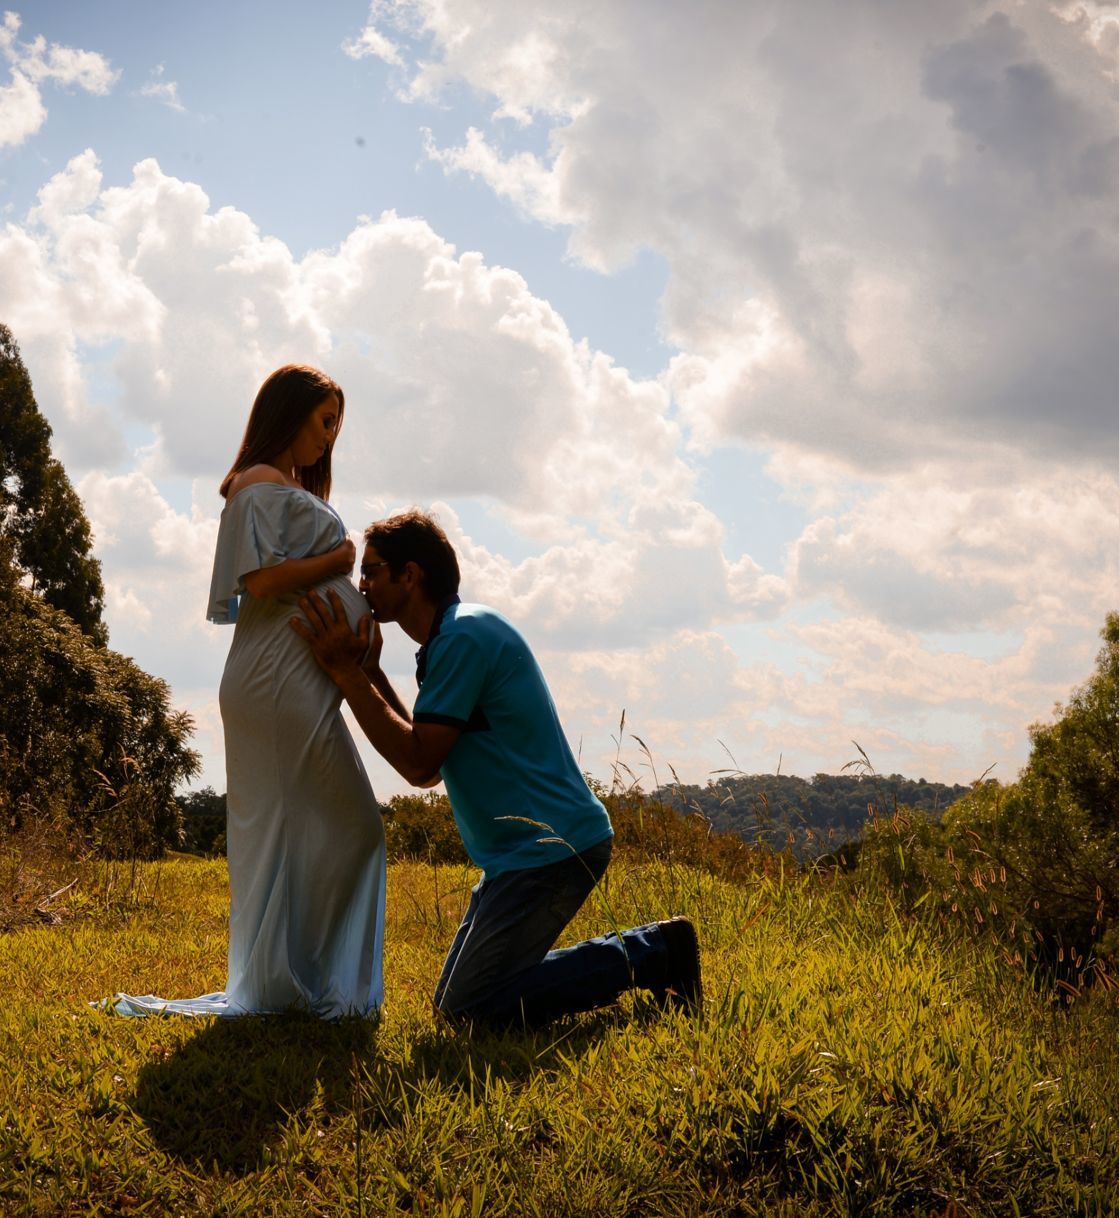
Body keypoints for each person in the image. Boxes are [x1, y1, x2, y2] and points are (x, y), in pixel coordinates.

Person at [292, 510, 701, 1028]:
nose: (362, 585)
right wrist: (369, 670)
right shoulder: (454, 636)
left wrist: (346, 672)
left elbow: (418, 763)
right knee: (456, 1006)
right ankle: (650, 951)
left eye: (371, 571)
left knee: (470, 1008)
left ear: (410, 575)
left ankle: (657, 952)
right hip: (521, 858)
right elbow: (428, 760)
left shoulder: (463, 640)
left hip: (549, 852)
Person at [103, 365, 386, 1018]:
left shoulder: (281, 486)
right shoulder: (256, 487)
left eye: (336, 425)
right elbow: (258, 582)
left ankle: (298, 981)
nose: (330, 436)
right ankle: (298, 985)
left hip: (289, 680)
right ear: (288, 415)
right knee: (354, 828)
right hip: (275, 682)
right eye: (324, 421)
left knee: (313, 831)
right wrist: (339, 562)